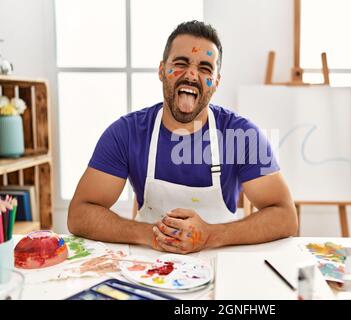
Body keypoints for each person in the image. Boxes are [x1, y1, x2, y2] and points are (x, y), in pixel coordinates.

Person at [68, 20, 297, 254]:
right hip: (147, 265)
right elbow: (79, 214)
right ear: (161, 70)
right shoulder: (125, 133)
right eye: (181, 63)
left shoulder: (243, 135)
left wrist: (209, 236)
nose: (191, 75)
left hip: (220, 264)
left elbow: (286, 217)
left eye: (205, 68)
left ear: (216, 82)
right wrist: (150, 234)